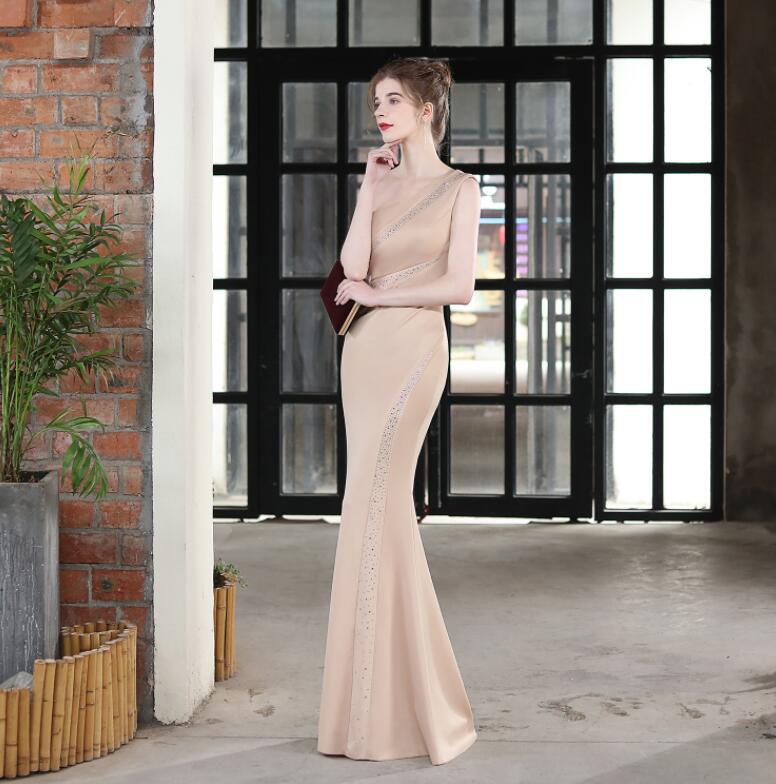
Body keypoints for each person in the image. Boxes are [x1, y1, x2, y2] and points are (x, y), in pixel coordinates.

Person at [316, 55, 481, 766]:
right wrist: (366, 190)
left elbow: (460, 285)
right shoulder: (379, 184)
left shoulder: (461, 187)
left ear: (426, 109)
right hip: (363, 355)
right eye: (376, 101)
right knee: (367, 506)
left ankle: (406, 706)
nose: (379, 112)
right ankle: (372, 709)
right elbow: (352, 271)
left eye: (392, 100)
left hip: (414, 351)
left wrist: (382, 297)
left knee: (381, 497)